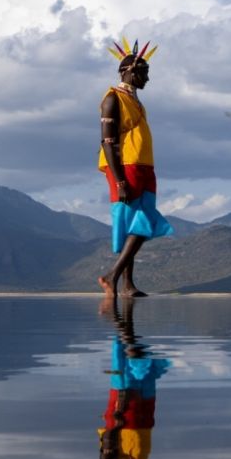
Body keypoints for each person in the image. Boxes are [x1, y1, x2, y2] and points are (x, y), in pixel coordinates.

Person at [98, 38, 172, 297]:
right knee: (138, 223)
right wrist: (119, 181)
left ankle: (127, 284)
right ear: (129, 72)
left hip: (144, 167)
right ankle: (112, 276)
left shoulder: (138, 102)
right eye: (144, 73)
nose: (147, 79)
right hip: (125, 166)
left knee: (139, 222)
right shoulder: (112, 99)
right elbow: (107, 143)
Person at [98, 294, 170, 459]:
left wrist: (118, 416)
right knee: (138, 361)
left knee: (122, 359)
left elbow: (108, 448)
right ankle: (122, 312)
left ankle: (116, 310)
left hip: (126, 418)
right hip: (142, 420)